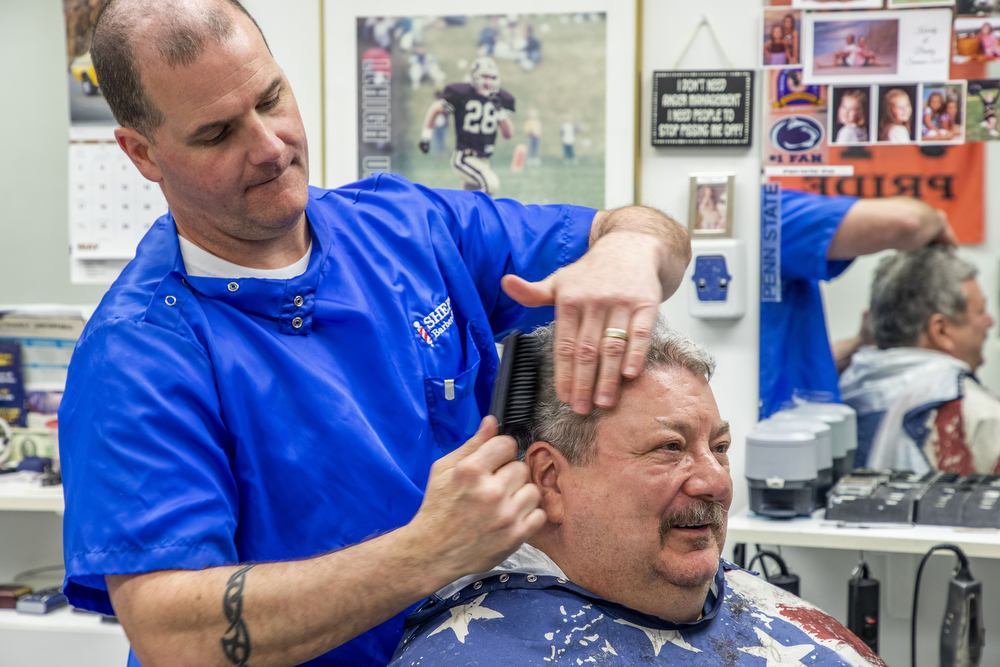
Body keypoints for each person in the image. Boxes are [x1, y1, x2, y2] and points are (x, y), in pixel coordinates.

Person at [60, 2, 694, 667]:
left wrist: (630, 253)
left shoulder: (407, 226)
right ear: (143, 153)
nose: (271, 146)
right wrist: (426, 550)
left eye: (272, 98)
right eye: (217, 133)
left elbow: (646, 234)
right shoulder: (137, 353)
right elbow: (172, 631)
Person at [388, 321, 887, 667]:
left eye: (720, 447)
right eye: (669, 448)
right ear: (549, 480)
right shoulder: (470, 651)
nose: (715, 482)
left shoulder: (759, 604)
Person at [759, 188, 957, 420]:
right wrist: (938, 220)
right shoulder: (757, 211)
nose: (990, 321)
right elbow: (908, 221)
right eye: (981, 309)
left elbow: (766, 367)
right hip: (783, 437)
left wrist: (855, 347)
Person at [840, 247, 999, 474]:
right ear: (941, 330)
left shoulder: (840, 394)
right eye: (980, 311)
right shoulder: (978, 414)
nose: (989, 321)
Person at [419, 56, 514, 196]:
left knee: (467, 199)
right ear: (474, 77)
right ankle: (484, 217)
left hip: (484, 160)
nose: (489, 81)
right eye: (485, 76)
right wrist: (425, 137)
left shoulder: (501, 98)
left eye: (492, 77)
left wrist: (500, 112)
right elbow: (435, 108)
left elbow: (508, 135)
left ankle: (456, 216)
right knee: (490, 184)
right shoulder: (462, 93)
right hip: (464, 157)